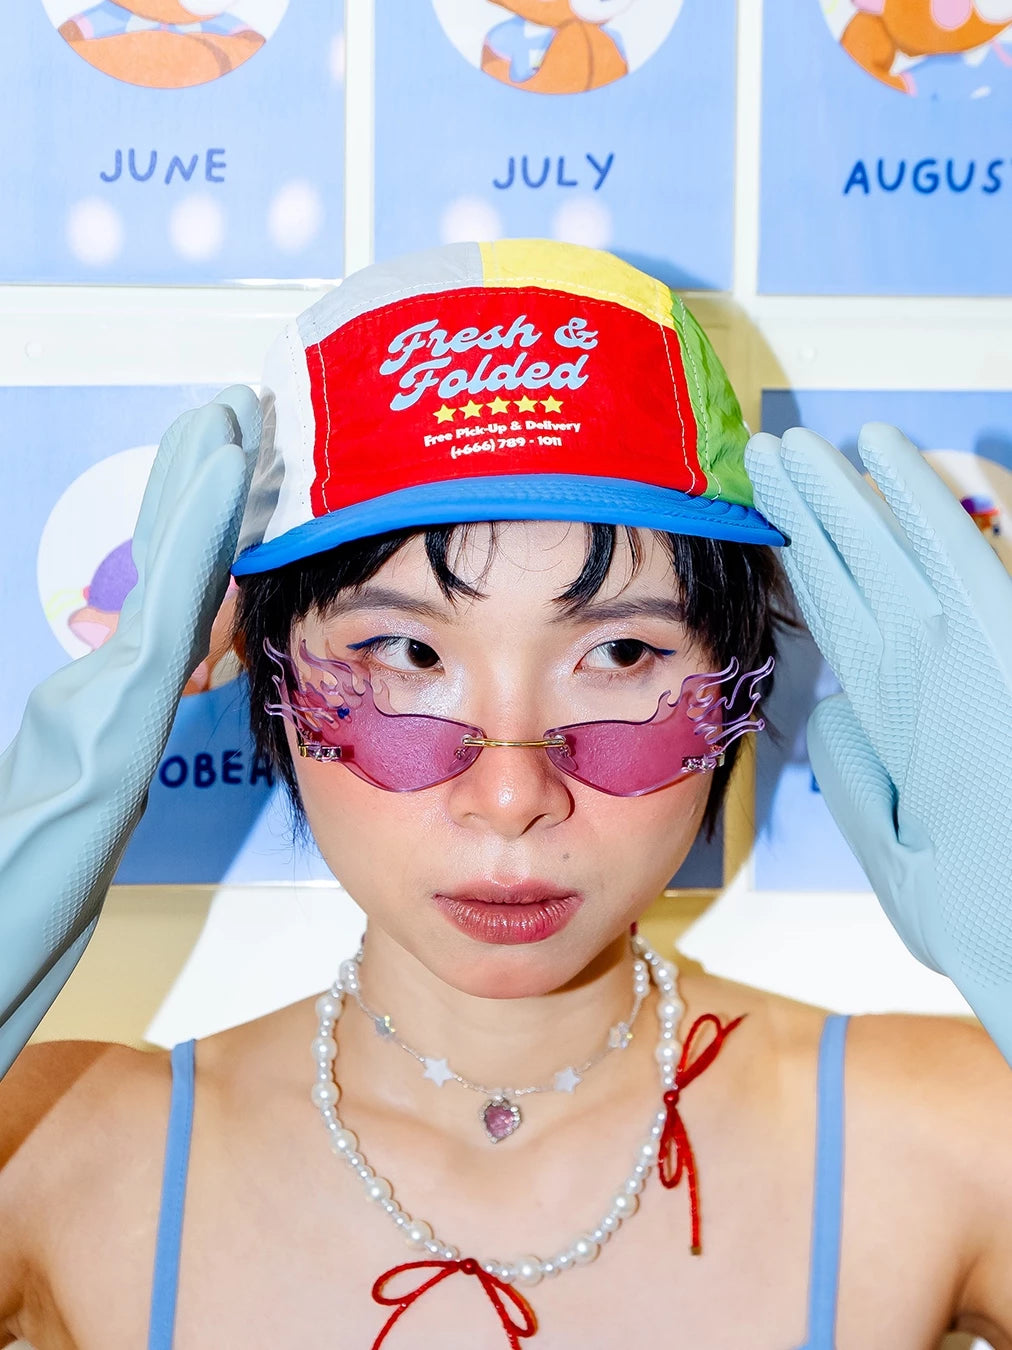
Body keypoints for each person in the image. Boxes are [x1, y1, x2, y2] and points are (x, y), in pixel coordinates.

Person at [1, 240, 1010, 1350]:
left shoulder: (947, 1142)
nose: (511, 792)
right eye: (406, 656)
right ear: (258, 666)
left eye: (622, 655)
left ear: (736, 679)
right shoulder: (60, 1154)